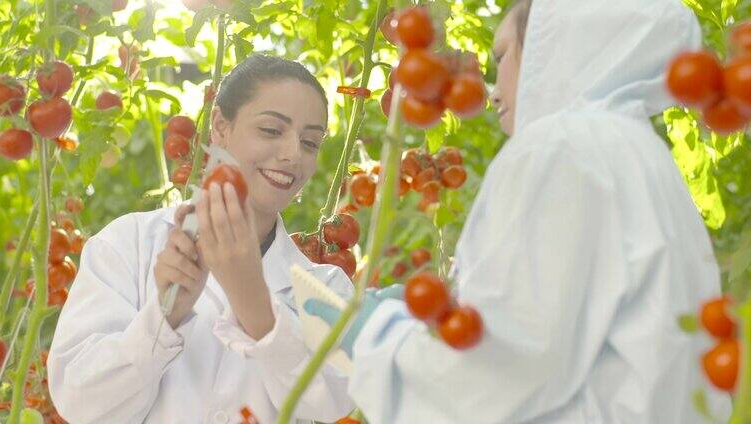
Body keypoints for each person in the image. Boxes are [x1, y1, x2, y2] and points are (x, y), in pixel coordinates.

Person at [305, 0, 734, 422]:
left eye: (504, 55)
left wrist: (380, 342)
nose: (492, 90)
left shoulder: (561, 146)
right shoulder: (639, 153)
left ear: (556, 44)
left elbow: (500, 371)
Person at [47, 54, 354, 424]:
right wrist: (163, 317)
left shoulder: (326, 287)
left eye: (310, 142)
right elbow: (78, 401)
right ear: (221, 127)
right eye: (272, 130)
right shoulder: (128, 245)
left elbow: (334, 401)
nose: (292, 155)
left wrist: (253, 300)